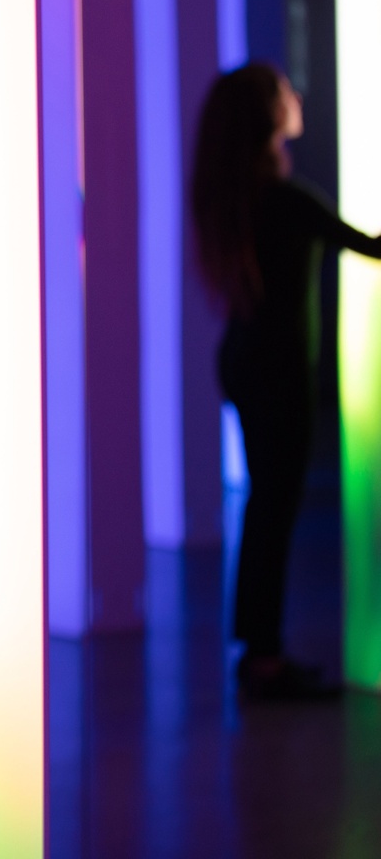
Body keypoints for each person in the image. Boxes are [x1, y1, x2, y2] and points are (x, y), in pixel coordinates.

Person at [192, 62, 381, 700]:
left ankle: (258, 649)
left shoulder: (244, 198)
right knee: (275, 509)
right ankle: (264, 656)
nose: (297, 98)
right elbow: (371, 245)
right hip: (275, 374)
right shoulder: (285, 201)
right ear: (269, 117)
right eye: (284, 94)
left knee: (267, 509)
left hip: (247, 364)